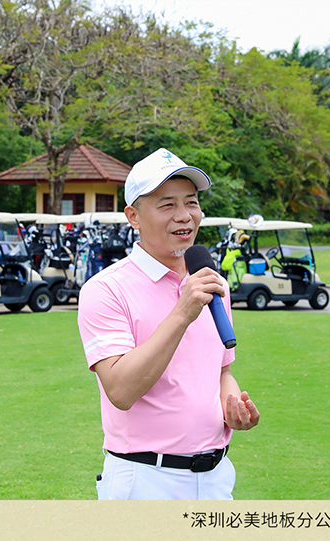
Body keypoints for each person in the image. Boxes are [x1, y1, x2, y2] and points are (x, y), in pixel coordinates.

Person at [77, 148, 260, 500]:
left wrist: (232, 404)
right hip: (145, 480)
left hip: (215, 477)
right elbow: (121, 391)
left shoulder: (212, 284)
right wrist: (182, 312)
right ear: (133, 216)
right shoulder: (106, 289)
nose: (184, 216)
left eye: (191, 202)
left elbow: (221, 371)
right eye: (167, 205)